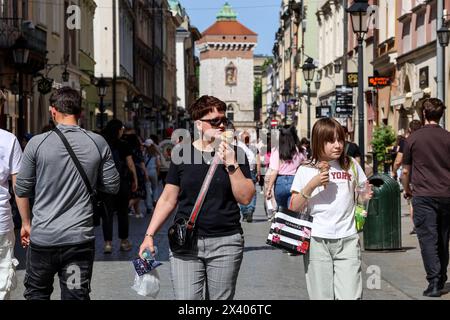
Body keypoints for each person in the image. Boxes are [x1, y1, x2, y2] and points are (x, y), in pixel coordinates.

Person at [138, 95, 255, 300]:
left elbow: (245, 198)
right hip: (186, 242)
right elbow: (167, 198)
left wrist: (231, 163)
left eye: (223, 119)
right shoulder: (181, 154)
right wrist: (149, 235)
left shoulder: (237, 154)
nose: (221, 125)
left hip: (226, 241)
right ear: (199, 124)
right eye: (214, 121)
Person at [15, 87, 120, 300]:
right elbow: (112, 186)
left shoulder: (37, 143)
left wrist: (26, 223)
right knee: (75, 295)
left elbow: (22, 188)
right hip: (78, 241)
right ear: (80, 113)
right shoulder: (97, 142)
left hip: (43, 239)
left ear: (53, 111)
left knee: (37, 294)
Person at [290, 118, 372, 300]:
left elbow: (363, 190)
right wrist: (312, 185)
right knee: (322, 297)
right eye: (331, 141)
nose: (338, 145)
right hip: (317, 239)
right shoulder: (306, 169)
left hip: (348, 238)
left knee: (351, 296)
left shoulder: (350, 164)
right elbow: (294, 206)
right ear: (319, 141)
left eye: (340, 140)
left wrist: (364, 196)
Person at [402, 98, 450, 298]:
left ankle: (434, 282)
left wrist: (407, 190)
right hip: (447, 194)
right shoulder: (448, 137)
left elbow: (405, 171)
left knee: (428, 239)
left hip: (423, 195)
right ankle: (441, 276)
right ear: (441, 115)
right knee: (443, 238)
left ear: (423, 114)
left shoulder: (414, 138)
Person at [0, 129, 30, 300]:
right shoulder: (8, 139)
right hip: (1, 223)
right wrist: (26, 223)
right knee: (2, 285)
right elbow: (19, 187)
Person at [101, 119, 138, 253]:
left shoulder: (102, 145)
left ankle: (108, 244)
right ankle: (123, 242)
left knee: (107, 214)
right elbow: (130, 164)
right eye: (122, 128)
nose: (123, 131)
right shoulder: (124, 144)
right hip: (121, 182)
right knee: (123, 212)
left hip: (105, 183)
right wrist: (135, 179)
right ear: (118, 130)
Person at [391, 120, 422, 235]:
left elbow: (398, 161)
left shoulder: (406, 142)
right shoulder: (424, 140)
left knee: (412, 201)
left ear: (409, 130)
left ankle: (416, 226)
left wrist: (393, 172)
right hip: (425, 176)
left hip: (411, 175)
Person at [266, 125, 305, 209]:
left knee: (282, 211)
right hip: (295, 181)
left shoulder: (276, 150)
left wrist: (269, 188)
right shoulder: (300, 150)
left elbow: (274, 171)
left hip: (280, 182)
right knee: (292, 210)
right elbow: (305, 166)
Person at [122, 125, 148, 218]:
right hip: (136, 168)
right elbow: (140, 159)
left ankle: (137, 212)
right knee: (140, 192)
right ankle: (125, 208)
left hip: (124, 169)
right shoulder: (135, 139)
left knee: (134, 192)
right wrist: (145, 172)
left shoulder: (122, 139)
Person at [236, 131, 258, 223]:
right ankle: (248, 210)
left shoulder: (239, 147)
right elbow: (256, 160)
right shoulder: (250, 147)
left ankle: (246, 212)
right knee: (251, 190)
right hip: (248, 170)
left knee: (243, 191)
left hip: (245, 171)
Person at [143, 138, 161, 214]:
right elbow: (158, 164)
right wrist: (158, 172)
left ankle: (149, 207)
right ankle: (155, 200)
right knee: (155, 187)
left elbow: (142, 164)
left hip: (146, 172)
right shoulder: (156, 154)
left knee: (147, 189)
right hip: (154, 172)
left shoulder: (144, 153)